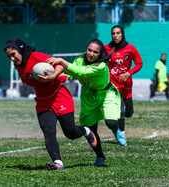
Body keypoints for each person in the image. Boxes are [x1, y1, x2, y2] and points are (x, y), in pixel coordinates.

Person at [4, 38, 97, 170]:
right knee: (48, 131)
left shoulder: (36, 57)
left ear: (20, 49)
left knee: (70, 132)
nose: (12, 59)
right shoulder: (18, 65)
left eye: (13, 54)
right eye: (9, 57)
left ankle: (86, 130)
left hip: (59, 96)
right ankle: (58, 162)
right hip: (43, 100)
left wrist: (52, 76)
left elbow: (60, 65)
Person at [46, 39, 127, 167]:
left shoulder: (101, 65)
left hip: (106, 93)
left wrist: (61, 60)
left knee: (110, 122)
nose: (91, 54)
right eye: (89, 50)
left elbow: (81, 72)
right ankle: (100, 155)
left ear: (100, 54)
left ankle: (116, 129)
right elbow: (71, 73)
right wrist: (53, 75)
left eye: (95, 52)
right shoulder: (80, 59)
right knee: (90, 130)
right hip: (89, 95)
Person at [104, 25, 143, 136]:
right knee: (120, 111)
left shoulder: (130, 48)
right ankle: (121, 134)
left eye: (118, 33)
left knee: (129, 112)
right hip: (112, 85)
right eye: (113, 33)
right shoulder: (106, 48)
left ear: (122, 34)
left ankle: (119, 121)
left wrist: (128, 73)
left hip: (127, 85)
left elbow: (139, 63)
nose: (115, 36)